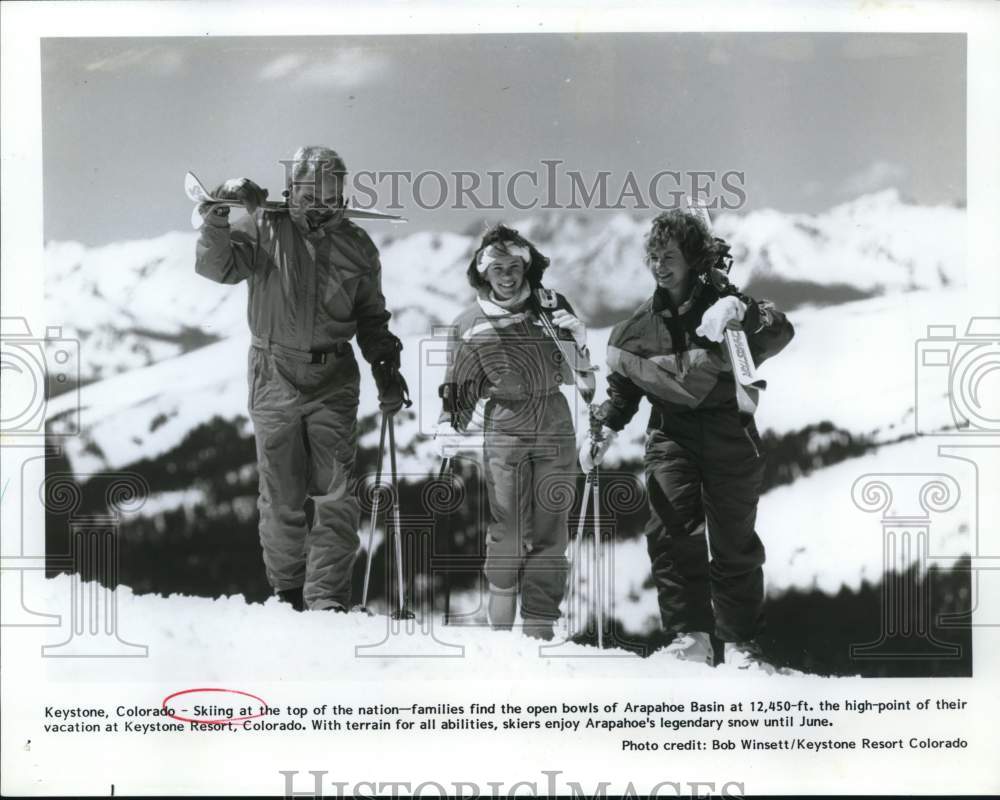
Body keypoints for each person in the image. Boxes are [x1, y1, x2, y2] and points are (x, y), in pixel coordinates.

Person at [194, 145, 409, 612]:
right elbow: (217, 267)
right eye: (310, 195)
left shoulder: (358, 246)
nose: (319, 206)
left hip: (334, 374)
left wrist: (386, 370)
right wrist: (218, 213)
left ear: (343, 197)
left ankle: (328, 601)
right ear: (292, 191)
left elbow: (372, 318)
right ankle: (289, 593)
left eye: (330, 197)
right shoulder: (263, 227)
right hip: (273, 373)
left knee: (336, 493)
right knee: (282, 495)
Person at [582, 209, 794, 668]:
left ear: (693, 257)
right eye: (654, 256)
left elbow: (780, 332)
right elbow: (624, 391)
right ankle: (691, 639)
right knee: (670, 530)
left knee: (732, 538)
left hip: (728, 430)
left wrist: (744, 311)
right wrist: (605, 427)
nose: (660, 265)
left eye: (670, 255)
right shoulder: (635, 330)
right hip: (671, 435)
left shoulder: (725, 308)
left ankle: (740, 646)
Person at [435, 225, 593, 640]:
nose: (507, 275)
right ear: (483, 274)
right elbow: (460, 386)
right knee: (508, 529)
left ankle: (539, 627)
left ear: (528, 266)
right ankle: (500, 631)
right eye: (498, 268)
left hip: (555, 421)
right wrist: (449, 424)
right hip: (505, 425)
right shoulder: (468, 323)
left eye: (515, 266)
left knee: (551, 529)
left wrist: (578, 342)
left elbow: (584, 380)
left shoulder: (550, 307)